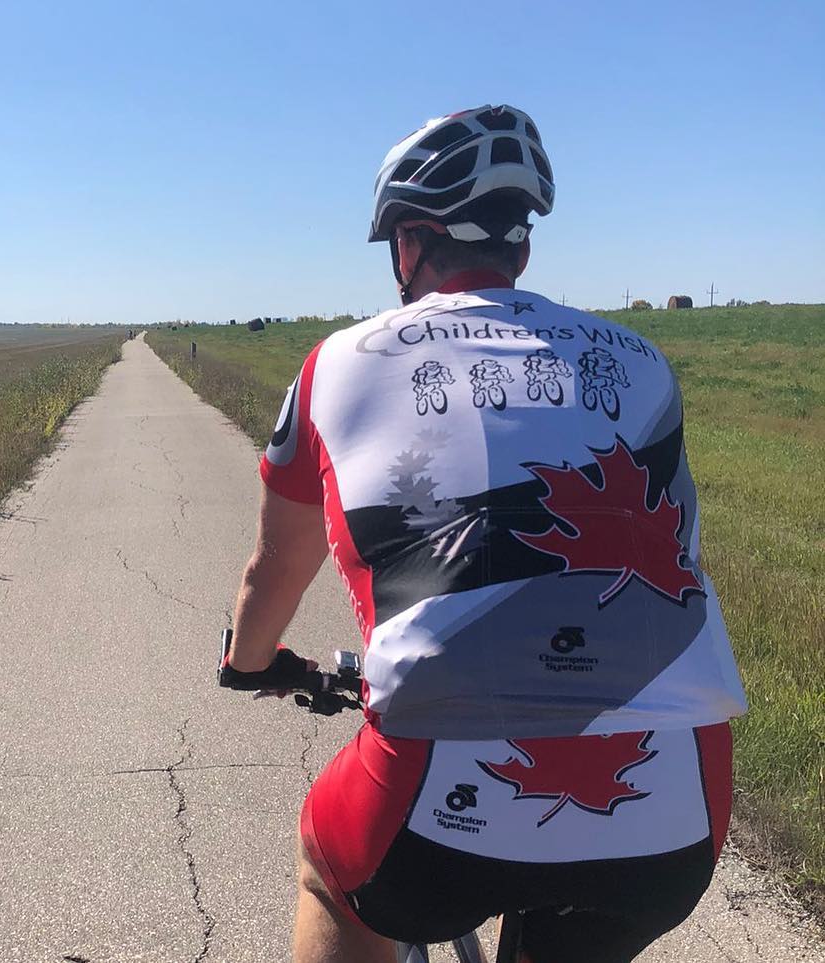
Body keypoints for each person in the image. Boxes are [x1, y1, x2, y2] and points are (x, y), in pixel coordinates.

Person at [218, 106, 747, 963]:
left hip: (430, 807)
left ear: (412, 244)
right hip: (678, 806)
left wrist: (248, 662)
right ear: (522, 251)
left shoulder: (338, 363)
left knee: (330, 869)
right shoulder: (643, 362)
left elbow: (274, 569)